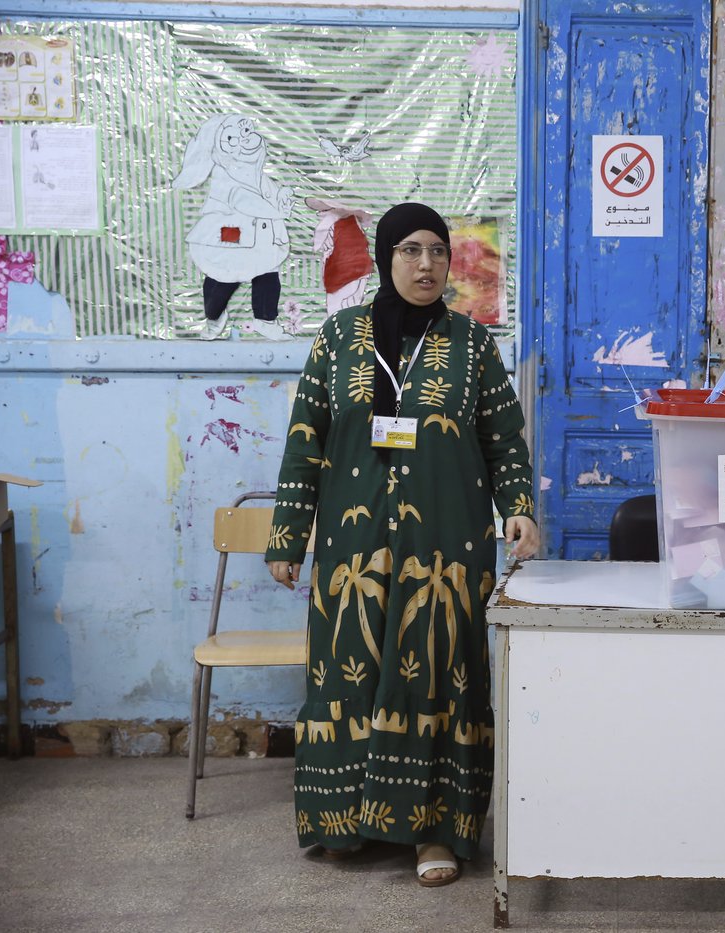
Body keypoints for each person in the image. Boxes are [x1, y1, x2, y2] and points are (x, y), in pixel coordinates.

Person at [265, 202, 539, 887]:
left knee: (436, 675)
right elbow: (305, 443)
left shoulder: (473, 346)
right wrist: (288, 536)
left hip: (444, 546)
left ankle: (433, 833)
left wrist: (520, 510)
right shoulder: (337, 338)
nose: (426, 264)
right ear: (387, 258)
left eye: (438, 252)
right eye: (411, 250)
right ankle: (347, 823)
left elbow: (504, 440)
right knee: (347, 672)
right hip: (353, 548)